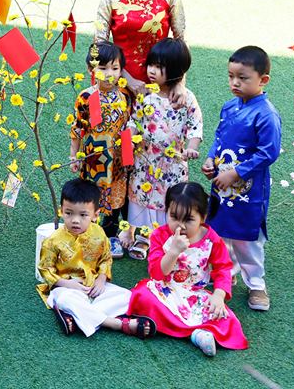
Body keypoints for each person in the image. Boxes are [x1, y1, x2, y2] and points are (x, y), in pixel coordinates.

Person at [202, 45, 281, 312]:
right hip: (222, 184)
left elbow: (269, 152)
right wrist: (210, 160)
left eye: (243, 78)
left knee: (248, 238)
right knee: (219, 230)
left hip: (250, 190)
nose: (234, 83)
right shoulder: (229, 107)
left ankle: (256, 283)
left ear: (263, 80)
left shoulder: (266, 114)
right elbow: (219, 138)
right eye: (231, 76)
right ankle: (226, 274)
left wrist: (235, 173)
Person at [127, 183, 248, 356]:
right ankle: (195, 331)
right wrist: (173, 252)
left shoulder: (211, 239)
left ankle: (190, 331)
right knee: (142, 295)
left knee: (225, 318)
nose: (180, 226)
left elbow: (223, 269)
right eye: (174, 217)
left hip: (194, 294)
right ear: (166, 211)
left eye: (189, 219)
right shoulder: (160, 235)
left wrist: (218, 296)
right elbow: (157, 273)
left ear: (203, 218)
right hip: (165, 290)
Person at [37, 179, 156, 339]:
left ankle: (75, 318)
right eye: (69, 213)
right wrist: (67, 284)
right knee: (65, 300)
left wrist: (101, 280)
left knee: (127, 296)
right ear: (61, 211)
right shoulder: (53, 240)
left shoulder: (99, 233)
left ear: (95, 215)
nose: (75, 220)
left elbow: (105, 259)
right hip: (66, 288)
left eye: (83, 215)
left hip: (93, 286)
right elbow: (45, 269)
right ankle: (116, 323)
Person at [124, 38, 203, 259]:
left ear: (176, 70)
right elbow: (134, 120)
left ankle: (165, 238)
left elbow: (195, 124)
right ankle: (139, 235)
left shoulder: (185, 98)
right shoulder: (146, 95)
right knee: (140, 195)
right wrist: (129, 139)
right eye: (150, 64)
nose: (151, 71)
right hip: (145, 158)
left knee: (168, 198)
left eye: (159, 67)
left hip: (172, 162)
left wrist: (192, 147)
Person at [69, 42, 132, 255]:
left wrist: (128, 158)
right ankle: (89, 232)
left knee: (115, 198)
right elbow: (78, 128)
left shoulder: (125, 96)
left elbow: (127, 128)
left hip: (117, 160)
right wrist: (74, 155)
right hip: (93, 159)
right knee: (91, 195)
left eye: (115, 68)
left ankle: (110, 234)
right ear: (91, 69)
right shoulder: (86, 97)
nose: (109, 74)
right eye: (103, 68)